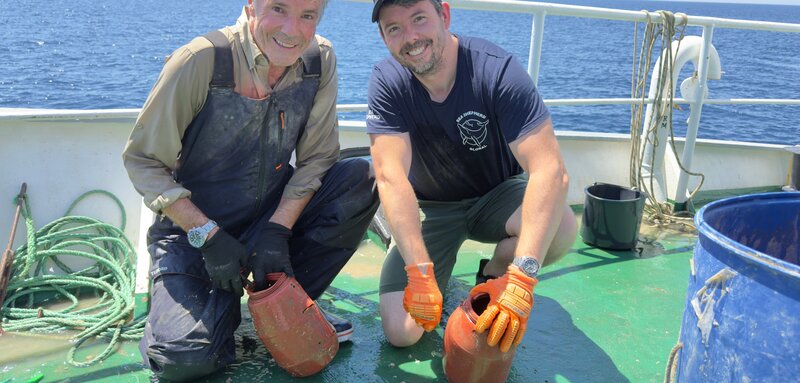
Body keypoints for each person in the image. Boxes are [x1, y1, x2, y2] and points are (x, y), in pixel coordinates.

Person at [122, 0, 379, 380]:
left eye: (308, 15)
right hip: (194, 234)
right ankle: (188, 315)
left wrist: (277, 230)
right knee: (184, 359)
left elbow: (317, 158)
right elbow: (144, 162)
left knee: (363, 180)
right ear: (250, 6)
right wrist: (207, 236)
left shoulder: (319, 60)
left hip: (269, 220)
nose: (292, 30)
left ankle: (288, 306)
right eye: (278, 8)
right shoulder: (200, 60)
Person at [367, 0, 578, 351]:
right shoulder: (388, 82)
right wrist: (418, 271)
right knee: (402, 333)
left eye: (419, 19)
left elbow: (549, 170)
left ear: (444, 15)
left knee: (563, 227)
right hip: (430, 208)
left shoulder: (496, 71)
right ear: (384, 38)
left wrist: (523, 277)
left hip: (495, 196)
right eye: (395, 28)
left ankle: (495, 271)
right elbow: (391, 178)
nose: (411, 37)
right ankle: (399, 238)